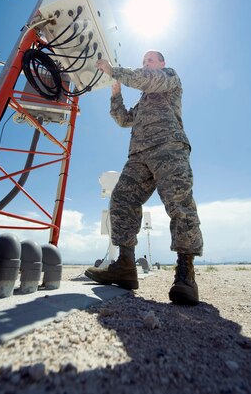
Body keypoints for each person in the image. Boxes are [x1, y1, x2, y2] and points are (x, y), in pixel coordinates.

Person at [85, 51, 203, 305]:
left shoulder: (169, 78)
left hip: (168, 147)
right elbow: (123, 119)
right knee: (122, 199)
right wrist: (116, 94)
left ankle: (185, 275)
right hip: (139, 156)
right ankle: (126, 265)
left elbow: (146, 79)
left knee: (179, 203)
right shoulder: (143, 101)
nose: (146, 64)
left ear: (162, 64)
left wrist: (114, 70)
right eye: (144, 61)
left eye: (151, 60)